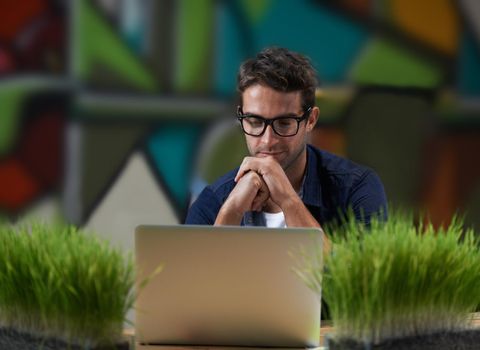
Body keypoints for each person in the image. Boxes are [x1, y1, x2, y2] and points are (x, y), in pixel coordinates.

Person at [185, 47, 387, 249]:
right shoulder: (214, 200)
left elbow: (361, 278)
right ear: (241, 118)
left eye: (284, 123)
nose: (267, 141)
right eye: (255, 121)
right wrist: (232, 212)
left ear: (310, 120)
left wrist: (289, 200)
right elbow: (191, 277)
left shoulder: (355, 188)